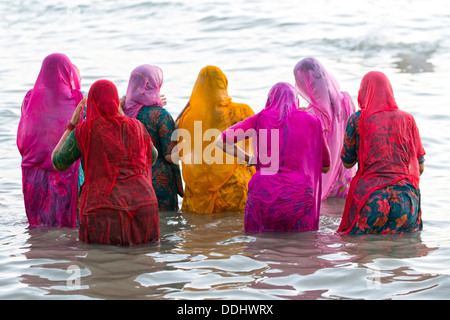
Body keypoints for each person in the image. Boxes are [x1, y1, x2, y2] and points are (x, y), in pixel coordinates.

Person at [51, 79, 160, 245]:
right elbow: (153, 156)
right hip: (143, 205)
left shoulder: (84, 131)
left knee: (100, 264)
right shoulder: (137, 127)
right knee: (140, 266)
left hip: (101, 209)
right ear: (116, 102)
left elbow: (58, 161)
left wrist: (71, 125)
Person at [217, 82, 331, 232]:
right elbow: (326, 165)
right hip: (298, 194)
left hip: (263, 192)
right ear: (295, 100)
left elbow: (221, 141)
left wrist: (250, 159)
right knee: (301, 248)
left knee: (260, 246)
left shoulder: (259, 118)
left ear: (270, 99)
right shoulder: (312, 121)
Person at [338, 71, 425, 235]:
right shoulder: (408, 120)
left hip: (371, 201)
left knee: (357, 249)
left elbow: (347, 162)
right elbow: (419, 168)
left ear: (363, 92)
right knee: (403, 254)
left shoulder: (357, 119)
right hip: (407, 202)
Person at [176, 65, 255, 214]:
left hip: (199, 193)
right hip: (234, 188)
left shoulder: (186, 117)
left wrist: (189, 104)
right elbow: (260, 137)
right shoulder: (240, 111)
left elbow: (173, 132)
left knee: (201, 233)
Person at [17, 53, 83, 228]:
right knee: (69, 229)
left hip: (33, 170)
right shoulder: (78, 98)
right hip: (67, 169)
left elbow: (25, 133)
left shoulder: (29, 99)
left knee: (39, 226)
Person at [122, 64, 183, 211]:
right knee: (166, 230)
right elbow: (170, 156)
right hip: (159, 184)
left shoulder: (122, 113)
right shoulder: (160, 115)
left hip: (132, 181)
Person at [294, 57, 356, 200]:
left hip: (320, 182)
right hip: (346, 178)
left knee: (323, 220)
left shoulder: (311, 115)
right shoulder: (346, 100)